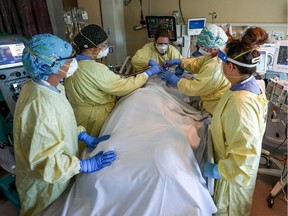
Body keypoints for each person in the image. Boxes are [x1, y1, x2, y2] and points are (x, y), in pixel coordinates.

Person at [13, 34, 116, 216]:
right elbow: (45, 161)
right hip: (46, 186)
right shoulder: (40, 106)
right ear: (50, 65)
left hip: (62, 173)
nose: (73, 61)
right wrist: (84, 166)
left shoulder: (50, 86)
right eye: (68, 59)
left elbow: (58, 124)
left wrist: (81, 134)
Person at [203, 27, 269, 215]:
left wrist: (217, 171)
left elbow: (245, 155)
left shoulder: (241, 102)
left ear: (230, 66)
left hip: (232, 181)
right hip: (233, 172)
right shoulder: (249, 84)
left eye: (221, 61)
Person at [65, 24, 163, 138]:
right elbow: (122, 87)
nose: (107, 48)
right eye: (104, 45)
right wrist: (148, 73)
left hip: (79, 114)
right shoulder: (94, 69)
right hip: (95, 119)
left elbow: (105, 82)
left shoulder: (71, 64)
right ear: (92, 48)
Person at [161, 24, 231, 116]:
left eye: (203, 46)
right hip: (209, 98)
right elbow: (197, 63)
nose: (201, 48)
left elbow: (193, 88)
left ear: (211, 47)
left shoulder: (215, 66)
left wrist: (174, 79)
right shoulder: (215, 54)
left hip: (214, 108)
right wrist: (180, 62)